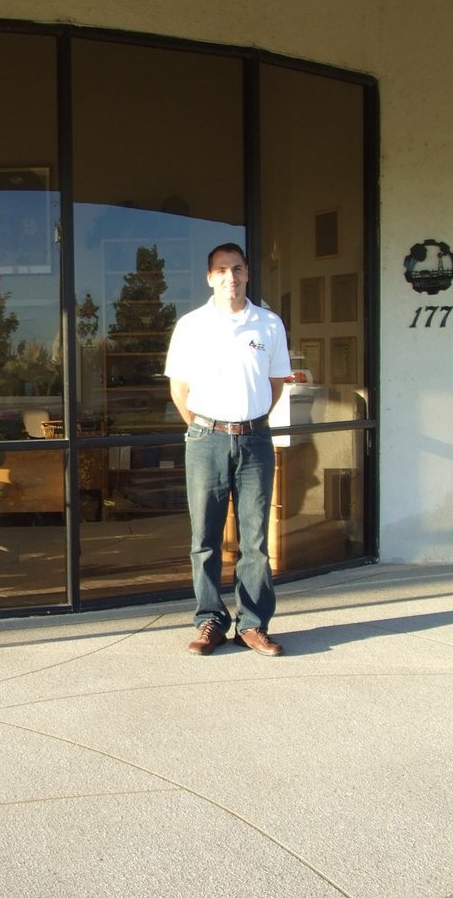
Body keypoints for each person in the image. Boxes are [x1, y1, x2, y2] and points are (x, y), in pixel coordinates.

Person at [164, 243, 291, 656]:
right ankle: (210, 622)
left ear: (248, 273)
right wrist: (207, 428)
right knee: (205, 538)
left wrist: (247, 423)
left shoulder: (269, 324)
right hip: (206, 439)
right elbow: (179, 388)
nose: (230, 278)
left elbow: (274, 385)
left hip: (255, 439)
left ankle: (253, 625)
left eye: (236, 269)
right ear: (209, 277)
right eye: (221, 270)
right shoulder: (191, 325)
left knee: (255, 540)